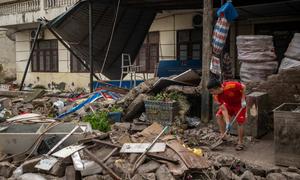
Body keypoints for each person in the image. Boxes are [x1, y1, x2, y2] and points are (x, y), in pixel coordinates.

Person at [207, 79, 247, 151]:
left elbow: (243, 87)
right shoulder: (215, 96)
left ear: (218, 88)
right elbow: (223, 109)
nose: (211, 93)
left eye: (212, 91)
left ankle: (240, 142)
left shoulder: (230, 86)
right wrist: (228, 122)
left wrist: (243, 99)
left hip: (239, 104)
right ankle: (223, 135)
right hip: (228, 104)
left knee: (240, 122)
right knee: (219, 115)